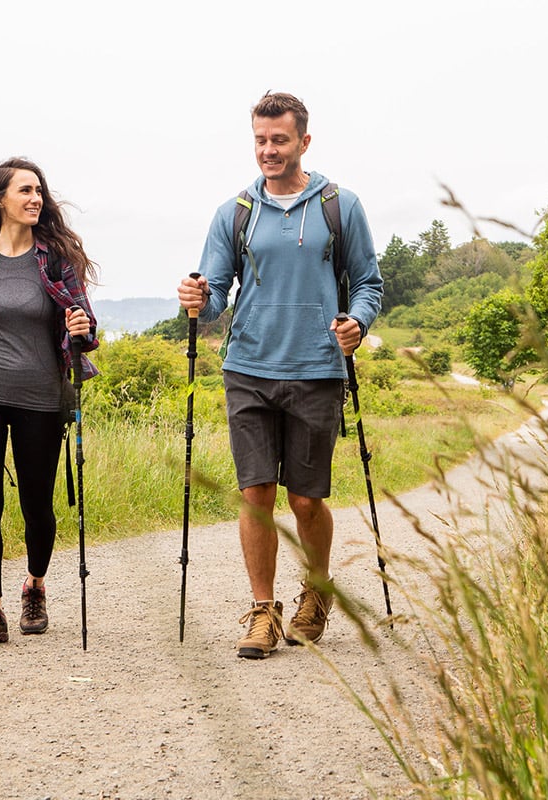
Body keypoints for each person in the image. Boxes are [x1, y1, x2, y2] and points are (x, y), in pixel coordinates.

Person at [178, 92, 383, 659]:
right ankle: (263, 612)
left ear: (304, 142)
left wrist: (356, 324)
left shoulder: (341, 206)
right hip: (247, 367)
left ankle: (316, 595)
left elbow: (369, 283)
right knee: (255, 495)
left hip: (317, 369)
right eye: (260, 141)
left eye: (279, 140)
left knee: (307, 502)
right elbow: (216, 295)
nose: (268, 151)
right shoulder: (235, 212)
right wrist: (197, 298)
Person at [0, 156, 99, 649]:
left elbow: (86, 329)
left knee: (36, 504)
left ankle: (35, 585)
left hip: (42, 396)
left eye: (38, 191)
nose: (35, 199)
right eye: (24, 191)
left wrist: (81, 328)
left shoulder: (55, 262)